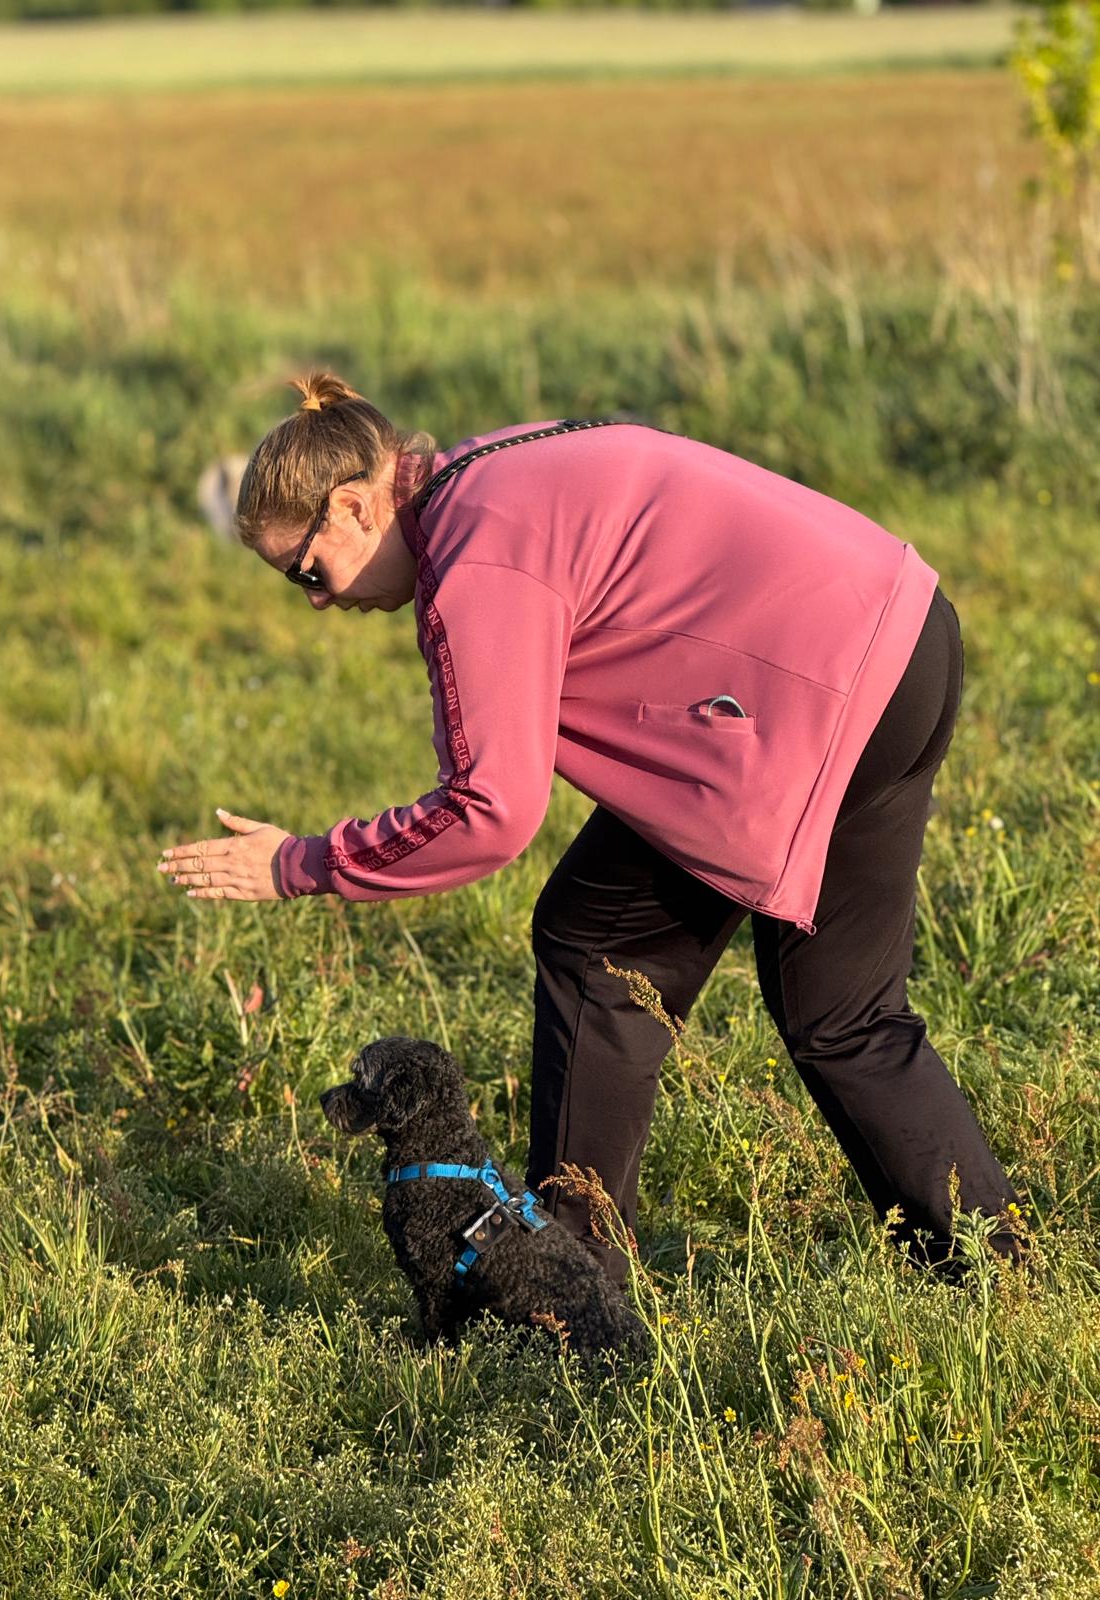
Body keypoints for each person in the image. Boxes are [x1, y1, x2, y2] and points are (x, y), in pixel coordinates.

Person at [159, 371, 1025, 1286]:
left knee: (593, 952)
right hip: (907, 633)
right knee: (847, 1018)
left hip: (811, 700)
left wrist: (303, 863)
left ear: (353, 507)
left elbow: (489, 811)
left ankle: (567, 1297)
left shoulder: (473, 560)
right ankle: (996, 1277)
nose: (317, 602)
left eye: (307, 572)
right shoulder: (493, 465)